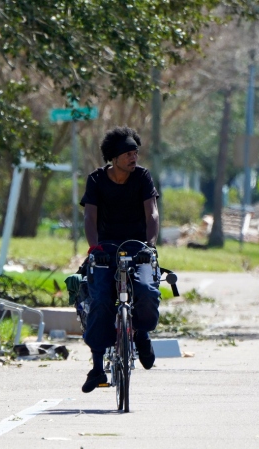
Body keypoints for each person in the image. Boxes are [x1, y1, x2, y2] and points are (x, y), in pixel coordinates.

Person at [79, 126, 161, 393]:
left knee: (146, 292)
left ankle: (141, 334)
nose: (133, 156)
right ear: (113, 158)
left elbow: (153, 215)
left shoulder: (143, 177)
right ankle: (96, 366)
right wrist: (95, 248)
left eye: (135, 151)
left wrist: (149, 245)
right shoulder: (96, 180)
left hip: (137, 248)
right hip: (105, 249)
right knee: (101, 299)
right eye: (127, 153)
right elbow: (89, 219)